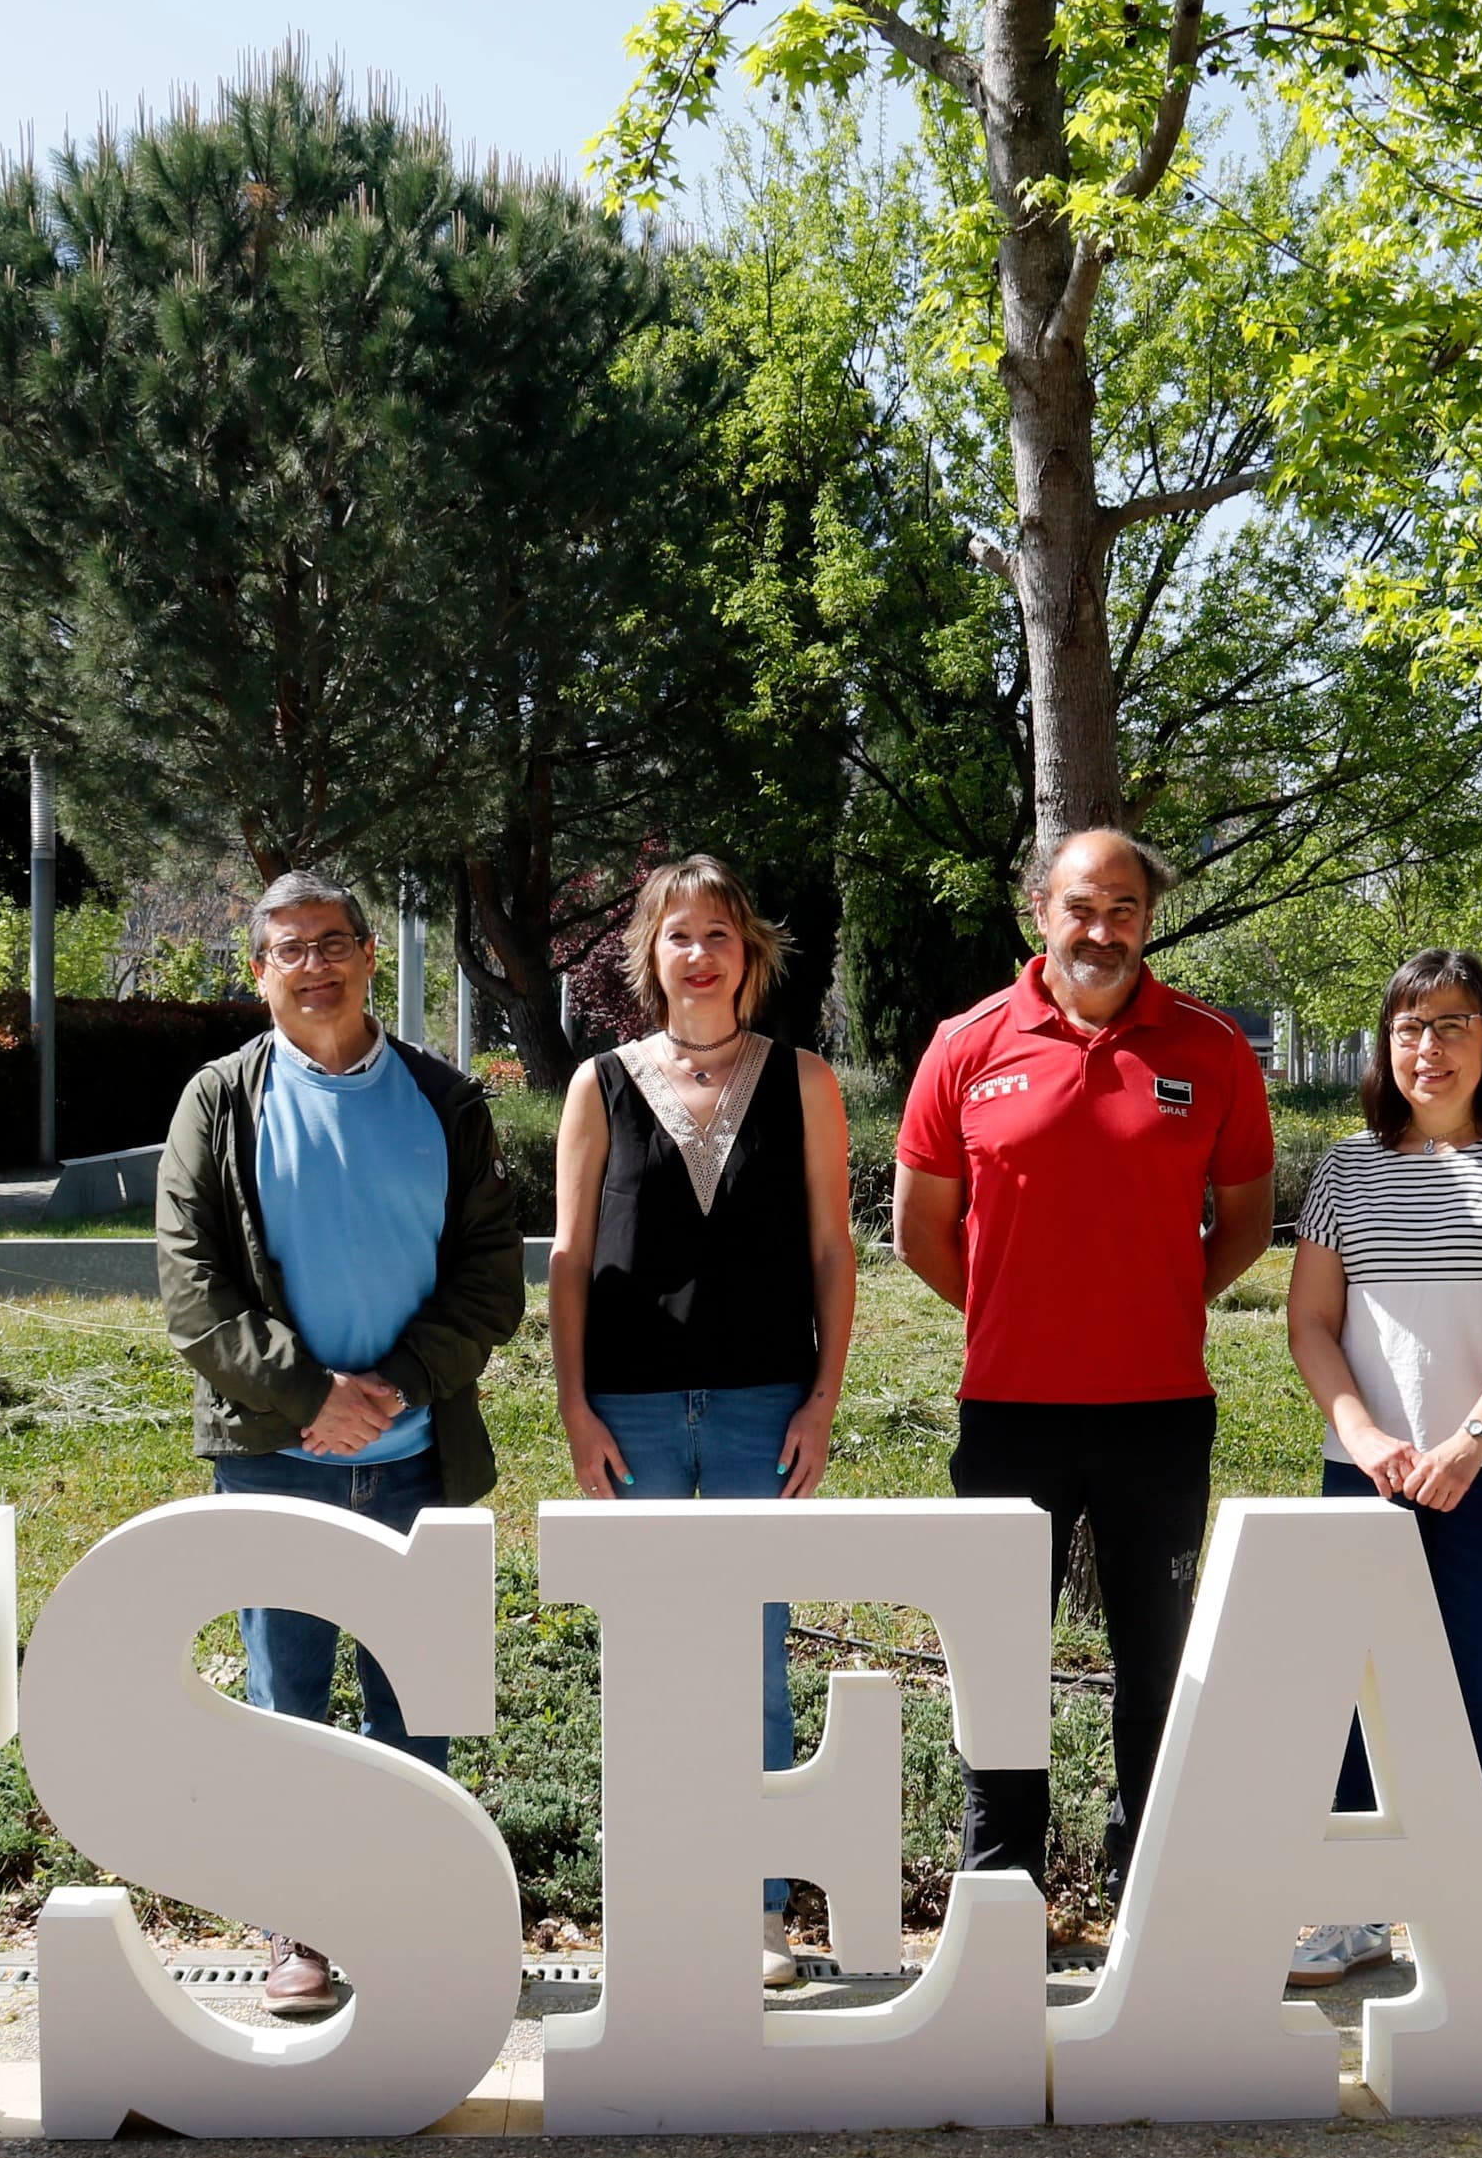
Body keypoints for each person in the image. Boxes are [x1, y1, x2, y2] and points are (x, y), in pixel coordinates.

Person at [156, 868, 525, 2014]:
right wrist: (310, 1396)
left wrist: (399, 1382)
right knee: (288, 1705)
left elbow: (487, 1279)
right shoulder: (217, 1102)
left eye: (332, 942)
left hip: (421, 1456)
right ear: (257, 970)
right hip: (275, 1458)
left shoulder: (444, 1099)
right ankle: (299, 1935)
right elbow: (192, 1288)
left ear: (369, 955)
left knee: (420, 1707)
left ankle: (419, 1923)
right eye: (287, 948)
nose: (312, 964)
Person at [894, 827, 1276, 1921]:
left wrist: (1152, 1303)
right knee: (1000, 1656)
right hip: (1008, 1413)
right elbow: (919, 1227)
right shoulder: (965, 1043)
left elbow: (1245, 1221)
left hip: (1156, 1413)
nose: (1099, 929)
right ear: (1037, 910)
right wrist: (1016, 1310)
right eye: (1079, 907)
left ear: (1147, 922)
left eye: (1122, 909)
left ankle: (1142, 1879)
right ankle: (999, 1884)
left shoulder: (1208, 1048)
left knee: (1154, 1658)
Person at [548, 854, 859, 1989]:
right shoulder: (599, 1085)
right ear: (650, 951)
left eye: (718, 932)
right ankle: (650, 1898)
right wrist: (574, 1405)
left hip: (756, 1405)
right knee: (642, 1661)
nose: (699, 952)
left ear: (749, 952)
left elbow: (833, 1250)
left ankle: (758, 1910)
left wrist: (821, 1400)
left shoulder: (805, 1082)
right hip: (626, 1406)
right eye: (678, 933)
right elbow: (572, 1256)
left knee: (752, 1664)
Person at [1280, 949, 1482, 1986]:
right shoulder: (1344, 1167)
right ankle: (1350, 1912)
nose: (1430, 1046)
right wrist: (1365, 1438)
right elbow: (1310, 1323)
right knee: (1351, 1688)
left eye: (1452, 1023)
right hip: (1365, 1471)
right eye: (1409, 1027)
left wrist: (1471, 1439)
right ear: (1385, 1045)